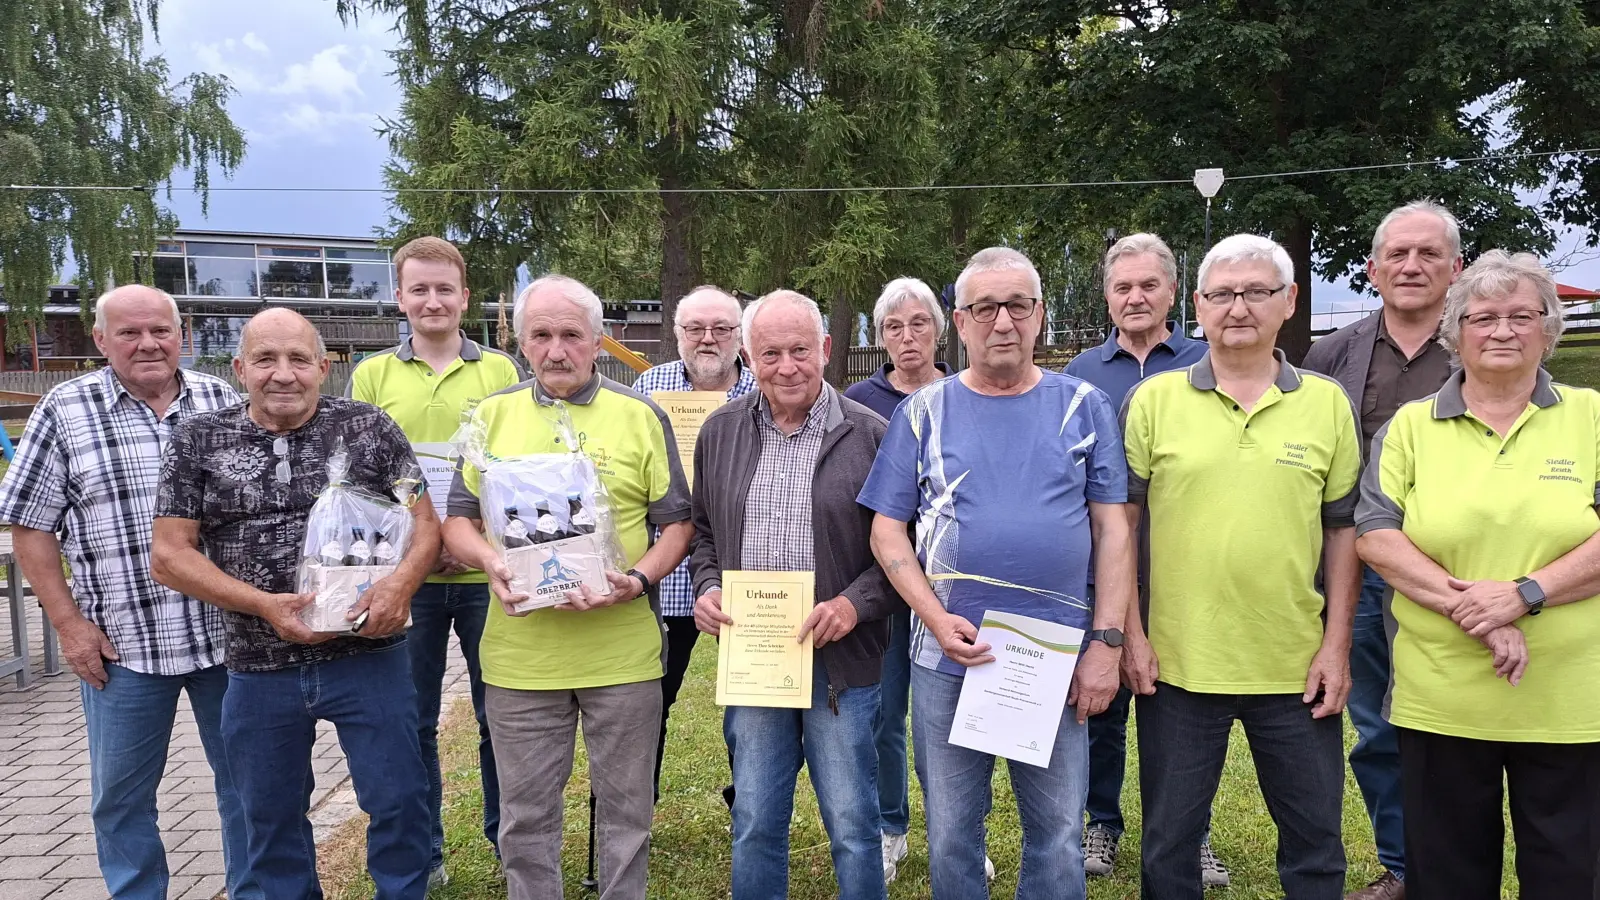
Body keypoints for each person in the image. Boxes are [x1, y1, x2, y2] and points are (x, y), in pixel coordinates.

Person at [861, 247, 1137, 900]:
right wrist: (932, 617)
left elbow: (1114, 530)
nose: (1003, 321)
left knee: (1057, 829)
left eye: (1018, 305)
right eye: (986, 307)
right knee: (954, 832)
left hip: (1056, 660)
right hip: (949, 658)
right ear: (960, 321)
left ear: (1039, 315)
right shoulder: (922, 413)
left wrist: (1107, 644)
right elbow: (885, 528)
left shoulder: (1085, 406)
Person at [151, 308, 439, 899]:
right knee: (269, 816)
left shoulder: (370, 428)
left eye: (299, 359)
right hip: (258, 667)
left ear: (323, 367)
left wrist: (399, 585)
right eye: (265, 359)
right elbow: (170, 553)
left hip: (369, 656)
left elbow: (425, 524)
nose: (283, 374)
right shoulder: (198, 439)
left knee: (399, 800)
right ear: (239, 368)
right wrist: (262, 605)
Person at [1121, 234, 1360, 900]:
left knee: (1315, 844)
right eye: (1222, 294)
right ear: (1197, 305)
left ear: (1289, 301)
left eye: (1256, 292)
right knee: (1168, 845)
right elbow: (1121, 530)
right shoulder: (1153, 403)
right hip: (1178, 663)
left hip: (1295, 663)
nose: (1238, 308)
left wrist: (1336, 647)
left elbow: (1343, 534)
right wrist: (1132, 638)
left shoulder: (1327, 404)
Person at [1356, 250, 1600, 899]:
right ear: (1455, 330)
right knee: (1447, 875)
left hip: (1568, 702)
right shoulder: (1411, 427)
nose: (1502, 331)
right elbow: (1376, 535)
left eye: (1522, 316)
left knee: (1569, 872)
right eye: (1484, 317)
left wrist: (1523, 596)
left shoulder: (1591, 416)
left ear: (1548, 330)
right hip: (1440, 697)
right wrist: (1482, 612)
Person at [440, 274, 693, 900]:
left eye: (572, 335)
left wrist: (634, 581)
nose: (557, 350)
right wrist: (492, 564)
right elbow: (457, 521)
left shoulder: (640, 414)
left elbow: (677, 525)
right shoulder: (490, 417)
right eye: (542, 335)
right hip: (521, 660)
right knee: (525, 816)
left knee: (627, 810)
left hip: (622, 655)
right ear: (521, 343)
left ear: (599, 341)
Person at [0, 285, 256, 900]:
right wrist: (68, 625)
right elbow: (30, 527)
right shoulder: (64, 409)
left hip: (230, 640)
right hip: (123, 647)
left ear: (182, 333)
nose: (148, 344)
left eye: (160, 331)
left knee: (248, 786)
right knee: (121, 798)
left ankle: (258, 890)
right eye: (129, 333)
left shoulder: (223, 400)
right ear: (100, 340)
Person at [691, 289, 897, 900]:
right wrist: (706, 586)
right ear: (748, 358)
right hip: (756, 664)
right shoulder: (721, 432)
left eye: (800, 350)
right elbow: (704, 533)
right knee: (755, 820)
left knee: (855, 825)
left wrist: (852, 604)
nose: (787, 366)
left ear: (826, 350)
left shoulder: (871, 436)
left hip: (842, 663)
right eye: (770, 352)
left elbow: (902, 556)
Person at [348, 236, 525, 889]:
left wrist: (464, 538)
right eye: (418, 289)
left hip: (488, 573)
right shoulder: (372, 375)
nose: (432, 300)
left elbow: (512, 468)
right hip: (408, 578)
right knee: (412, 717)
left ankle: (510, 843)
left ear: (465, 297)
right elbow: (367, 478)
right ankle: (426, 851)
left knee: (500, 715)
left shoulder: (502, 371)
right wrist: (427, 543)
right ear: (399, 298)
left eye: (443, 289)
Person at [1302, 200, 1463, 900]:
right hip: (1359, 576)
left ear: (1456, 269)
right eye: (1397, 254)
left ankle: (1455, 865)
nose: (1412, 266)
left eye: (1429, 254)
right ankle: (1403, 866)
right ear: (1372, 269)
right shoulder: (1332, 355)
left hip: (1456, 575)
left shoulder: (1476, 346)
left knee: (1457, 729)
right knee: (1376, 726)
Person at [1062, 233, 1224, 886]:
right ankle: (1102, 820)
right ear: (1108, 297)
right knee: (1101, 704)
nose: (1135, 297)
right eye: (1123, 287)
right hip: (1101, 567)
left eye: (1148, 286)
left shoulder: (1206, 362)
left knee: (1188, 713)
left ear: (1173, 293)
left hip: (1184, 568)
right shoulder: (1080, 372)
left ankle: (1192, 832)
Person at [842, 276, 952, 883]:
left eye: (918, 324)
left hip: (954, 588)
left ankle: (955, 830)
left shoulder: (965, 393)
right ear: (880, 337)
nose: (907, 337)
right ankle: (891, 827)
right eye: (893, 327)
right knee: (886, 715)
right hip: (883, 591)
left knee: (951, 717)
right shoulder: (860, 402)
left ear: (940, 328)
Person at [630, 284, 756, 799]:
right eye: (695, 329)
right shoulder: (647, 387)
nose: (708, 339)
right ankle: (635, 807)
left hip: (743, 573)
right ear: (678, 334)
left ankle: (748, 800)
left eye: (722, 329)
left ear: (739, 336)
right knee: (649, 703)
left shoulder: (761, 389)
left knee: (755, 703)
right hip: (661, 574)